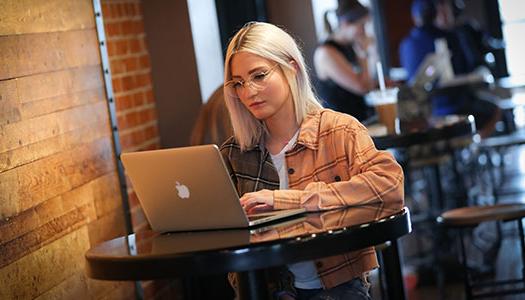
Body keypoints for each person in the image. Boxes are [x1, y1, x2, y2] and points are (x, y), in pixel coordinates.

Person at [220, 21, 404, 300]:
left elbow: (390, 187)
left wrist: (283, 200)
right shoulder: (235, 153)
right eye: (238, 83)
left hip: (336, 290)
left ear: (292, 68)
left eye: (259, 76)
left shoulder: (339, 131)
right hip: (265, 290)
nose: (248, 92)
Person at [399, 0, 500, 137]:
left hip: (425, 112)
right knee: (494, 108)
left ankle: (468, 146)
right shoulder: (451, 36)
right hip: (450, 105)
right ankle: (472, 146)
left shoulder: (406, 43)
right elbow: (468, 70)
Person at [313, 0, 377, 122]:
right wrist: (364, 54)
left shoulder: (351, 46)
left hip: (360, 119)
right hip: (340, 128)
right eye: (361, 25)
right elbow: (362, 86)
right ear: (345, 24)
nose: (364, 32)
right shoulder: (326, 52)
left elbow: (367, 81)